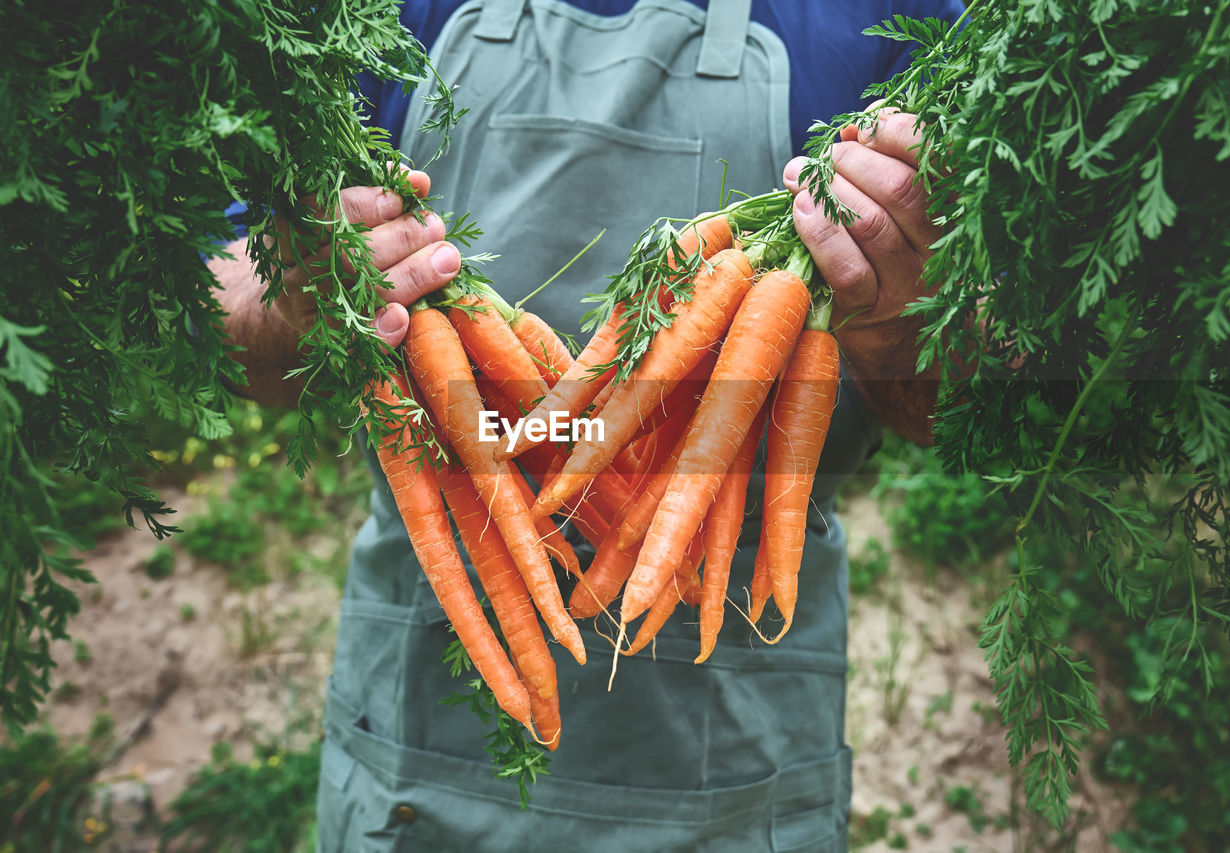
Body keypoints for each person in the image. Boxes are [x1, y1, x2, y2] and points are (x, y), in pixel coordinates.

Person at [211, 0, 960, 848]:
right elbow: (216, 307)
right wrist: (295, 303)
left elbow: (960, 405)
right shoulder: (350, 18)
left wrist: (902, 321)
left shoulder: (886, 19)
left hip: (738, 759)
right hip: (420, 741)